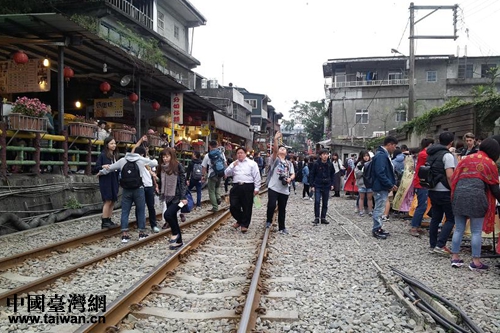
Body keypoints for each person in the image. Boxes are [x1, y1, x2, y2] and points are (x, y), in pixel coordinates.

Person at [450, 138, 500, 270]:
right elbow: (495, 188)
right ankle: (475, 261)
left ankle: (455, 258)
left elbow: (454, 177)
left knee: (459, 229)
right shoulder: (490, 163)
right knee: (476, 231)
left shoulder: (466, 158)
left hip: (459, 195)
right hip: (477, 197)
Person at [98, 144, 158, 243]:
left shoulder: (122, 160)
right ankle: (141, 233)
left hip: (126, 189)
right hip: (139, 189)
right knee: (140, 211)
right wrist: (151, 159)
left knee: (125, 211)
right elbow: (154, 163)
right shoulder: (141, 160)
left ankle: (124, 235)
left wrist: (101, 172)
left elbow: (110, 168)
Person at [427, 131, 456, 255]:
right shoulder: (447, 155)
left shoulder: (431, 153)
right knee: (451, 218)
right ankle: (440, 244)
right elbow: (450, 176)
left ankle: (433, 244)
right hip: (444, 190)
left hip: (432, 188)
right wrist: (453, 190)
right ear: (451, 143)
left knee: (436, 218)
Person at [224, 147, 261, 233]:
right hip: (236, 186)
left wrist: (257, 187)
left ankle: (244, 225)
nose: (240, 154)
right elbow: (226, 173)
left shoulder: (252, 163)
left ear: (245, 154)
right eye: (238, 153)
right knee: (233, 206)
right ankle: (240, 220)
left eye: (241, 153)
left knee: (247, 206)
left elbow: (256, 175)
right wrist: (233, 166)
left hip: (248, 186)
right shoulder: (234, 163)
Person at [157, 148, 188, 250]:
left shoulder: (178, 166)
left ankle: (175, 233)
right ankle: (179, 242)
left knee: (168, 214)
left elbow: (183, 183)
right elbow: (161, 181)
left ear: (172, 156)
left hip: (179, 199)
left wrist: (183, 197)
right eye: (164, 157)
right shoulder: (162, 168)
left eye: (167, 156)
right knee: (173, 217)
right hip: (168, 197)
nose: (165, 159)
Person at [265, 131, 295, 234]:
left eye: (284, 149)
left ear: (286, 152)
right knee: (271, 205)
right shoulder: (275, 160)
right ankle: (268, 220)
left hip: (284, 188)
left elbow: (293, 174)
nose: (282, 150)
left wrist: (290, 179)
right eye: (280, 148)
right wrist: (275, 139)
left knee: (282, 208)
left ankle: (282, 227)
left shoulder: (289, 163)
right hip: (273, 187)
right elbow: (274, 151)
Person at [371, 136, 399, 239]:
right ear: (389, 144)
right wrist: (389, 184)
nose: (395, 148)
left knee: (380, 207)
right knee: (379, 208)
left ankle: (379, 227)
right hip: (380, 186)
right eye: (394, 146)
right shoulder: (381, 156)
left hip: (382, 186)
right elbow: (380, 172)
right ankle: (376, 229)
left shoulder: (382, 154)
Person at [131, 136, 159, 233]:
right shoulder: (136, 160)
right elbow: (133, 150)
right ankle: (142, 224)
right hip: (141, 186)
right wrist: (140, 140)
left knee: (149, 206)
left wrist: (156, 185)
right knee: (142, 206)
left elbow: (153, 172)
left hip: (148, 185)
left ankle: (151, 225)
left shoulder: (148, 160)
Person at [410, 138, 434, 237]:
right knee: (422, 206)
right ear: (429, 145)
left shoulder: (422, 153)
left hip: (420, 182)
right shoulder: (424, 154)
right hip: (421, 183)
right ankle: (414, 227)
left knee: (422, 205)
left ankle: (417, 225)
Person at [95, 136, 119, 229]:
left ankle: (109, 219)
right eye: (111, 143)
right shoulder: (103, 155)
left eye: (114, 143)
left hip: (114, 179)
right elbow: (96, 167)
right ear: (107, 145)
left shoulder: (115, 155)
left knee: (113, 200)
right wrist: (102, 166)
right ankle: (104, 220)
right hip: (106, 180)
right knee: (107, 200)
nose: (114, 145)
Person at [310, 149, 335, 225]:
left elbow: (332, 174)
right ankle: (316, 217)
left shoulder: (330, 164)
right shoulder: (316, 164)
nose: (325, 156)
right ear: (320, 156)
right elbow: (312, 175)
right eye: (323, 154)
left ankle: (323, 217)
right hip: (317, 184)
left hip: (326, 185)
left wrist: (332, 184)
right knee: (317, 201)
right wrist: (312, 185)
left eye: (326, 154)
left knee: (325, 202)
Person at [201, 140, 227, 212]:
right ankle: (218, 198)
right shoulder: (221, 153)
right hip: (220, 174)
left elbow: (204, 167)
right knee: (217, 187)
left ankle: (215, 207)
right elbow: (225, 164)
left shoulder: (207, 155)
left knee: (211, 191)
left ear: (209, 146)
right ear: (217, 145)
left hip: (212, 175)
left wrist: (203, 176)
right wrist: (225, 174)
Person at [354, 150, 373, 217]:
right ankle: (361, 210)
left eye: (367, 156)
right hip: (362, 183)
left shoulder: (371, 163)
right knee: (361, 197)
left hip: (370, 183)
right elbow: (356, 173)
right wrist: (363, 171)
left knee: (369, 198)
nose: (366, 157)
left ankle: (370, 210)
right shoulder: (359, 164)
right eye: (364, 156)